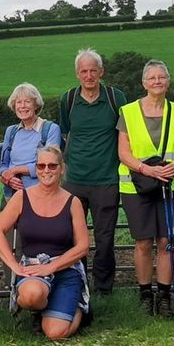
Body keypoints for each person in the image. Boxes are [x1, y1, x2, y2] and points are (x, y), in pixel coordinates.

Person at [0, 146, 90, 339]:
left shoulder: (73, 202)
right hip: (33, 268)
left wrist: (51, 267)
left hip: (65, 269)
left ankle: (79, 307)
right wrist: (13, 265)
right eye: (41, 166)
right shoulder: (22, 197)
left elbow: (82, 246)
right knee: (31, 296)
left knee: (55, 334)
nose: (46, 170)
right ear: (36, 169)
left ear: (61, 169)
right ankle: (43, 308)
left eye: (52, 166)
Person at [117, 60, 174, 317]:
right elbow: (123, 152)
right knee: (144, 242)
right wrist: (147, 170)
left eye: (162, 77)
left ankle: (165, 296)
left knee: (167, 241)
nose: (157, 81)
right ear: (144, 83)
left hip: (170, 184)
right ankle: (145, 293)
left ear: (168, 81)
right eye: (152, 78)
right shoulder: (128, 112)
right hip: (137, 185)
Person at [58, 48, 126, 295]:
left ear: (101, 72)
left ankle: (104, 290)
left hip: (106, 180)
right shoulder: (67, 99)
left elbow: (124, 136)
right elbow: (65, 133)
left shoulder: (115, 98)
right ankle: (76, 284)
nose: (89, 76)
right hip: (74, 180)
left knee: (105, 239)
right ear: (77, 74)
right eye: (84, 71)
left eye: (93, 71)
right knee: (73, 238)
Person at [0, 82, 62, 198]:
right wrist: (8, 178)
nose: (22, 106)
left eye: (27, 102)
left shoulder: (50, 129)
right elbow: (3, 164)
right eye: (18, 102)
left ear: (36, 105)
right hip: (12, 195)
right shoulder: (11, 131)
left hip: (41, 195)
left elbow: (51, 163)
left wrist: (15, 170)